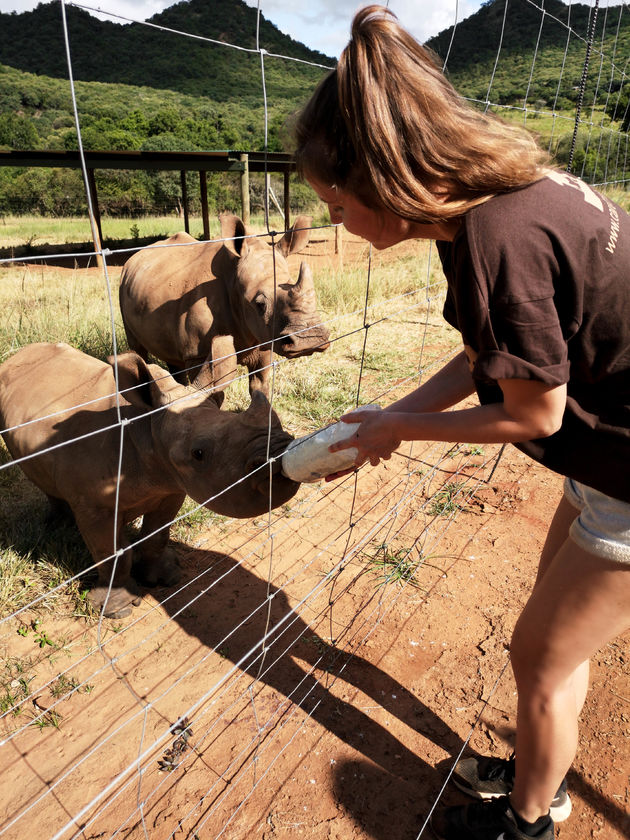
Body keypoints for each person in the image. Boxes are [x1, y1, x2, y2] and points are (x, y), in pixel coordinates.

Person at [292, 6, 630, 840]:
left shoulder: (498, 238)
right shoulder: (481, 207)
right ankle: (540, 775)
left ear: (381, 178)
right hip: (609, 455)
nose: (332, 220)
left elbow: (533, 411)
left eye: (332, 200)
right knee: (548, 650)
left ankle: (528, 820)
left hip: (629, 473)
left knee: (541, 660)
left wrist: (397, 435)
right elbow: (495, 357)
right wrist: (392, 412)